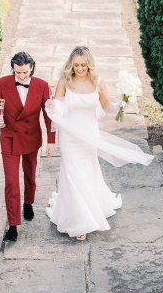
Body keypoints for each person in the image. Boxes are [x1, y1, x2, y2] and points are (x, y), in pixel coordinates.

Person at [45, 46, 153, 241]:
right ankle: (79, 222)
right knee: (71, 173)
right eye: (76, 65)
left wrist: (121, 104)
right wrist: (54, 105)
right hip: (69, 135)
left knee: (87, 171)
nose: (79, 69)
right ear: (71, 64)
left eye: (83, 65)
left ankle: (90, 208)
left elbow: (107, 106)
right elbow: (60, 106)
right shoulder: (64, 81)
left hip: (88, 134)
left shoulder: (98, 82)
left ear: (89, 64)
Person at [0, 51, 55, 242]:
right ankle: (13, 225)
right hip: (9, 137)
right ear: (13, 69)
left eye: (25, 72)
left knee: (30, 175)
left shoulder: (42, 86)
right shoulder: (3, 83)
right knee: (11, 182)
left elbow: (49, 115)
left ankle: (28, 202)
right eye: (18, 73)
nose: (22, 76)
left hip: (31, 137)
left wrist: (51, 140)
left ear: (32, 67)